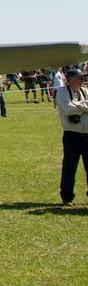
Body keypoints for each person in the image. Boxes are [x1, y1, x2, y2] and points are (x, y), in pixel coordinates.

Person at [55, 69, 88, 205]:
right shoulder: (62, 92)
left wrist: (78, 105)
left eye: (82, 78)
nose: (81, 81)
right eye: (78, 78)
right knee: (69, 167)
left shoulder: (85, 91)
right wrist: (84, 107)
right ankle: (67, 197)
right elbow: (68, 109)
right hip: (72, 135)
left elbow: (73, 107)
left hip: (87, 134)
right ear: (69, 80)